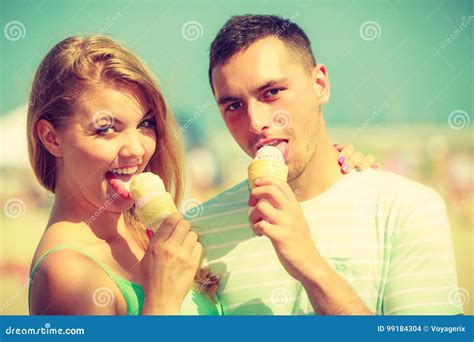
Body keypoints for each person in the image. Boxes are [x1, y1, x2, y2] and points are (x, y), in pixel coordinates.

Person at [27, 34, 370, 315]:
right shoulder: (65, 273)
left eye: (145, 124)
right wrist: (161, 303)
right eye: (106, 129)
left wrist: (332, 165)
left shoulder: (147, 231)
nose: (136, 148)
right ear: (51, 138)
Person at [186, 14, 463, 315]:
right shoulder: (202, 231)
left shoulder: (407, 208)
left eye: (272, 92)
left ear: (319, 85)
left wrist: (312, 268)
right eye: (234, 106)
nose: (256, 122)